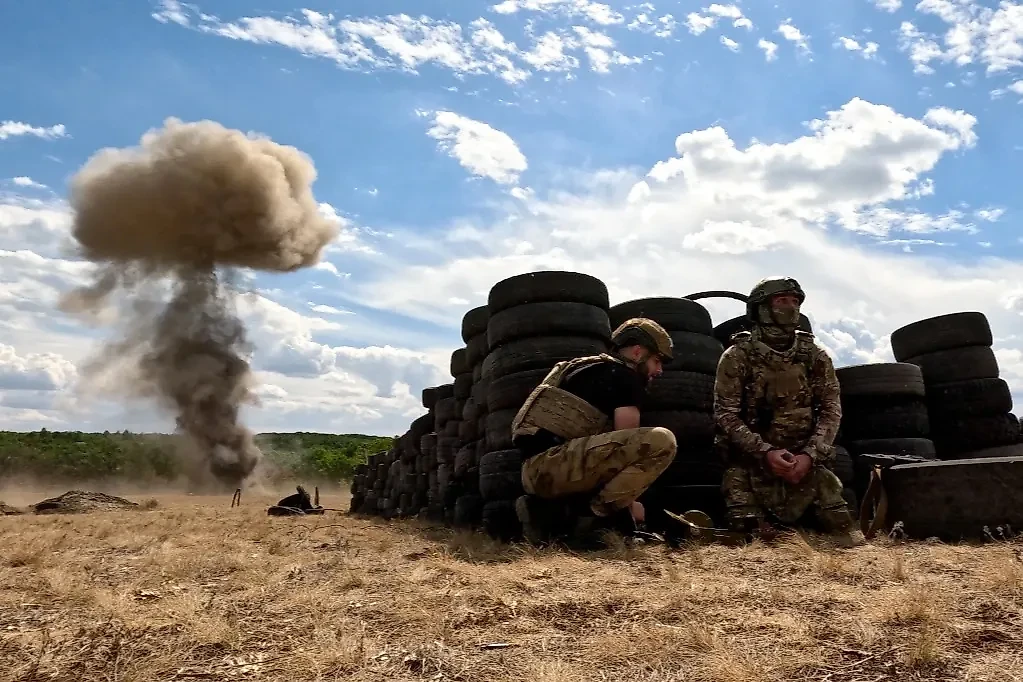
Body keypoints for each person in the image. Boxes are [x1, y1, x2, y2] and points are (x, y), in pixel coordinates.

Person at [714, 277, 866, 548]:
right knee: (748, 536)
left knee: (845, 536)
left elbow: (831, 410)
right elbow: (726, 415)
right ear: (761, 308)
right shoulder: (737, 356)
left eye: (795, 302)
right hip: (751, 466)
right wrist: (765, 452)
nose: (791, 307)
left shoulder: (815, 356)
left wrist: (809, 456)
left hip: (806, 466)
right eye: (782, 301)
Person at [512, 318, 679, 546]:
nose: (659, 371)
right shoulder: (625, 377)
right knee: (660, 441)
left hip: (533, 472)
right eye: (657, 361)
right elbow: (627, 448)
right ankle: (596, 522)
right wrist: (627, 508)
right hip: (558, 465)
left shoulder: (580, 367)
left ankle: (551, 515)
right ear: (638, 353)